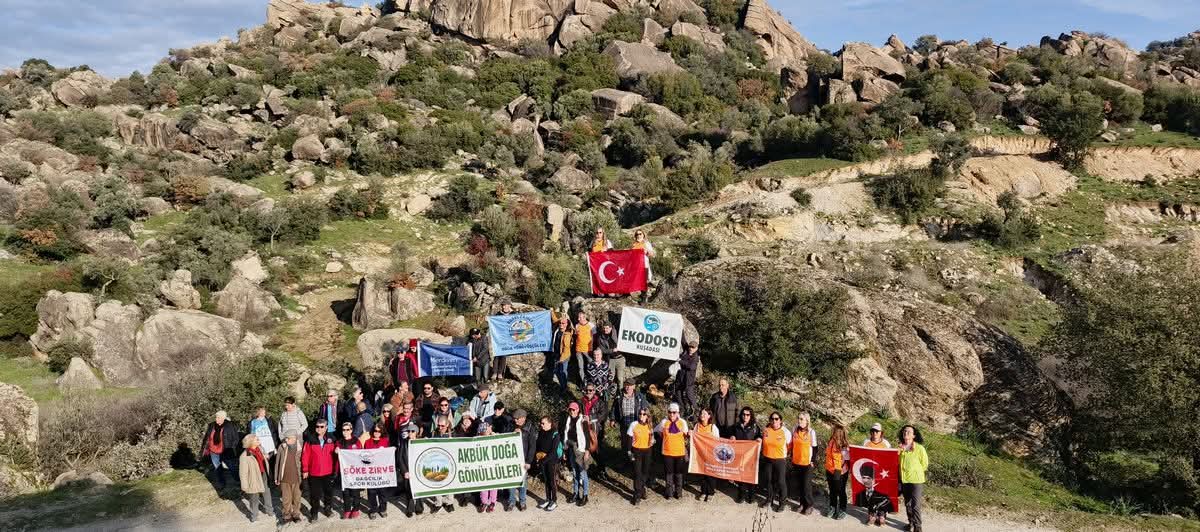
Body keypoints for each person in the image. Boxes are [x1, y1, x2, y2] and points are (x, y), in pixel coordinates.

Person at [418, 416, 456, 514]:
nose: (440, 427)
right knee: (436, 482)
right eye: (438, 425)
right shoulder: (434, 433)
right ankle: (438, 502)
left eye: (442, 426)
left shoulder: (453, 433)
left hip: (449, 462)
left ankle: (449, 502)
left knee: (449, 483)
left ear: (447, 424)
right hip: (437, 462)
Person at [302, 420, 337, 522]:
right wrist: (305, 469)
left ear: (326, 427)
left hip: (328, 472)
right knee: (315, 494)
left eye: (322, 427)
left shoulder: (332, 438)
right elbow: (305, 455)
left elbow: (338, 452)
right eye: (317, 426)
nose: (319, 429)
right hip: (314, 472)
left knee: (328, 493)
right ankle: (314, 513)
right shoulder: (310, 439)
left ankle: (327, 509)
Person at [560, 401, 593, 506]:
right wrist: (565, 450)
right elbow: (565, 435)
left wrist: (587, 451)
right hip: (570, 448)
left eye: (574, 409)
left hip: (581, 449)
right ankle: (576, 493)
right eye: (570, 409)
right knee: (574, 472)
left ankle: (585, 495)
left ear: (578, 409)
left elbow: (587, 436)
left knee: (583, 473)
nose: (572, 411)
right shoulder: (568, 420)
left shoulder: (583, 420)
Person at [655, 402, 690, 500]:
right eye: (670, 412)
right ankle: (669, 492)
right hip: (667, 452)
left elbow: (687, 434)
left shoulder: (682, 422)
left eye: (674, 412)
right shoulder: (664, 422)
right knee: (669, 473)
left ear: (678, 413)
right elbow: (657, 431)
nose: (672, 414)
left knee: (678, 473)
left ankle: (678, 492)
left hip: (679, 452)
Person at [899, 425, 929, 532]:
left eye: (909, 431)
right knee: (907, 504)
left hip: (916, 481)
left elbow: (925, 464)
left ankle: (918, 527)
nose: (906, 432)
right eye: (904, 431)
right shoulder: (900, 448)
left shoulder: (920, 448)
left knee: (915, 505)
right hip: (904, 480)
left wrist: (915, 471)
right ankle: (910, 523)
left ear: (914, 435)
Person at [760, 411, 791, 512]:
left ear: (780, 420)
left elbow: (790, 446)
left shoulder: (785, 432)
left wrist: (784, 455)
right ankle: (769, 499)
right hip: (768, 459)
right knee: (769, 481)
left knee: (781, 482)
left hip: (780, 460)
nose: (774, 421)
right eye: (772, 419)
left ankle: (782, 503)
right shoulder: (766, 430)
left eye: (776, 419)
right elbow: (762, 442)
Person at [610, 379, 649, 460]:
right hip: (624, 424)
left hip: (636, 425)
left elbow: (645, 408)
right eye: (626, 385)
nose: (628, 387)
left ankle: (636, 460)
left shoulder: (639, 396)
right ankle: (625, 460)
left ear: (634, 386)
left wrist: (645, 420)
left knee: (635, 443)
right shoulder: (619, 396)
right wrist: (613, 419)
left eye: (630, 385)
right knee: (625, 443)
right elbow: (614, 408)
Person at [239, 434, 274, 523]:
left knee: (267, 492)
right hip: (253, 478)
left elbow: (265, 458)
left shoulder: (260, 449)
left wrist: (266, 457)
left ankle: (269, 510)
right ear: (251, 442)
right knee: (254, 497)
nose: (259, 440)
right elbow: (243, 473)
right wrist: (244, 485)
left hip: (264, 474)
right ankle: (254, 515)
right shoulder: (244, 456)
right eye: (256, 439)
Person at [201, 410, 240, 489]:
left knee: (232, 467)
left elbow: (236, 438)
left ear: (223, 418)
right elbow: (207, 437)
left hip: (226, 450)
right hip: (213, 451)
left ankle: (238, 481)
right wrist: (205, 447)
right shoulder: (211, 425)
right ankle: (221, 482)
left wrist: (232, 447)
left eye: (218, 417)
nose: (216, 419)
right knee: (218, 468)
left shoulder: (230, 425)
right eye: (216, 417)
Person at [507, 409, 536, 512]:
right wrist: (512, 433)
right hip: (512, 458)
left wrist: (528, 461)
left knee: (522, 481)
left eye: (517, 419)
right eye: (514, 419)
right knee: (511, 481)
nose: (515, 421)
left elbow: (532, 446)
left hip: (523, 459)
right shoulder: (511, 426)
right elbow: (504, 438)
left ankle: (522, 501)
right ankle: (511, 501)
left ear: (523, 418)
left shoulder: (530, 428)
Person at [790, 412, 819, 515]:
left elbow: (815, 448)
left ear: (807, 420)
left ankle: (809, 505)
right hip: (796, 462)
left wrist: (813, 461)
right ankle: (802, 504)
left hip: (807, 463)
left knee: (806, 485)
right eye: (799, 418)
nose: (799, 420)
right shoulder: (794, 429)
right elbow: (792, 445)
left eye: (802, 419)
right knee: (800, 485)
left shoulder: (811, 432)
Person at [733, 407, 763, 504]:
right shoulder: (737, 426)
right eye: (743, 414)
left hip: (751, 455)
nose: (745, 416)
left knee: (751, 476)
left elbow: (759, 436)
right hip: (740, 455)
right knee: (740, 476)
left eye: (748, 415)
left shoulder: (755, 427)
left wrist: (759, 439)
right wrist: (732, 436)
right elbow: (732, 435)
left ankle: (751, 496)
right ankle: (741, 495)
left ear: (751, 416)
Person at [626, 408, 656, 505]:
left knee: (645, 472)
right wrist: (629, 452)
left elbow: (653, 438)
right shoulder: (633, 424)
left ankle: (642, 488)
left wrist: (653, 441)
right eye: (640, 414)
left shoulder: (650, 425)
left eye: (644, 414)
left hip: (647, 451)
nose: (642, 416)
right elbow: (629, 439)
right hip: (636, 451)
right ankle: (637, 495)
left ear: (647, 416)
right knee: (637, 473)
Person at [580, 384, 610, 478]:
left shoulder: (600, 402)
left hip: (596, 430)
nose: (589, 392)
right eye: (587, 390)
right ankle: (585, 471)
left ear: (594, 391)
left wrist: (591, 418)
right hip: (583, 429)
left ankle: (602, 469)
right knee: (585, 449)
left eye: (591, 390)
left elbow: (603, 415)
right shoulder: (580, 402)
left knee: (597, 450)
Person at [275, 430, 304, 524]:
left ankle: (296, 514)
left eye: (288, 438)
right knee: (286, 498)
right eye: (286, 438)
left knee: (297, 498)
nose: (286, 440)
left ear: (294, 438)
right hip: (284, 478)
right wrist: (277, 477)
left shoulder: (300, 448)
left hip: (297, 478)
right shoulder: (281, 447)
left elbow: (303, 462)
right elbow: (277, 463)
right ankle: (286, 515)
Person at [534, 416, 562, 511]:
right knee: (546, 481)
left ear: (550, 423)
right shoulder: (541, 432)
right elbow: (537, 445)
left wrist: (543, 460)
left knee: (552, 481)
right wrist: (537, 457)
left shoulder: (555, 434)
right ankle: (548, 499)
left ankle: (554, 500)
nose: (541, 425)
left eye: (543, 423)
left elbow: (553, 451)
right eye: (541, 423)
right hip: (542, 461)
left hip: (552, 461)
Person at [363, 423, 391, 519]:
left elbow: (389, 456)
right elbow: (363, 456)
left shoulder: (385, 441)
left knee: (382, 492)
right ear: (372, 431)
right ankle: (373, 509)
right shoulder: (367, 442)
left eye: (379, 431)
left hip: (382, 471)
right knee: (371, 492)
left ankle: (383, 509)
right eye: (375, 431)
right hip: (371, 472)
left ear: (382, 432)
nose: (377, 433)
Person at [336, 422, 363, 519]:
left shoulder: (356, 441)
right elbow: (336, 456)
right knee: (345, 491)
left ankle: (356, 509)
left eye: (347, 429)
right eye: (344, 430)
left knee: (355, 491)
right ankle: (347, 509)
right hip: (344, 471)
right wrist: (336, 452)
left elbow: (361, 454)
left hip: (354, 470)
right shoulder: (339, 442)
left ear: (351, 430)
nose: (345, 432)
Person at [692, 408, 720, 501]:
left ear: (709, 416)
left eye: (704, 414)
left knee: (710, 474)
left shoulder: (713, 427)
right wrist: (690, 434)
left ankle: (711, 493)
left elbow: (718, 441)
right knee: (702, 474)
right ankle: (703, 492)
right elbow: (694, 438)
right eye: (701, 413)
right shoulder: (697, 426)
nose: (702, 415)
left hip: (711, 454)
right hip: (700, 454)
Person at [394, 421, 420, 517]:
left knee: (419, 490)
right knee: (409, 491)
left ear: (416, 432)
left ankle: (419, 507)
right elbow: (400, 458)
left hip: (419, 471)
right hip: (408, 471)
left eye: (413, 431)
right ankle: (410, 509)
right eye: (409, 431)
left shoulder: (421, 443)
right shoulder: (404, 443)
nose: (410, 433)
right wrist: (404, 471)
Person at [825, 424, 851, 520]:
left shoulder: (844, 446)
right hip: (829, 469)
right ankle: (833, 507)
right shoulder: (831, 441)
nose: (835, 434)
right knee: (832, 490)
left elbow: (847, 459)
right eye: (834, 432)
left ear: (841, 434)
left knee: (840, 491)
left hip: (840, 471)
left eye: (836, 432)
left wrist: (840, 470)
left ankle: (842, 509)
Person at [855, 462, 893, 527]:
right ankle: (872, 515)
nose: (866, 480)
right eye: (864, 477)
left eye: (868, 478)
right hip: (870, 502)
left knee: (881, 497)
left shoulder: (882, 492)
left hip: (880, 496)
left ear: (873, 479)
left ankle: (882, 515)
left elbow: (888, 502)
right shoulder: (859, 494)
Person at [477, 422, 500, 513]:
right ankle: (484, 502)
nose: (486, 432)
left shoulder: (495, 436)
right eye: (483, 431)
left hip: (493, 465)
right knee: (483, 484)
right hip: (483, 465)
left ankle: (492, 502)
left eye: (487, 429)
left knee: (494, 485)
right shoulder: (478, 439)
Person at [675, 340, 700, 418]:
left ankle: (696, 411)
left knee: (690, 396)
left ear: (696, 348)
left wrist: (680, 361)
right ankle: (683, 409)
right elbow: (683, 341)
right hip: (681, 379)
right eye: (690, 346)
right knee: (678, 393)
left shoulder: (695, 357)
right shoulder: (686, 350)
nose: (691, 348)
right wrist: (681, 328)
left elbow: (691, 367)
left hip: (689, 381)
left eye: (693, 347)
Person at [492, 300, 516, 381]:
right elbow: (493, 323)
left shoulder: (514, 314)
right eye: (503, 305)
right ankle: (494, 373)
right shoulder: (498, 314)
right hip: (498, 337)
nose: (504, 307)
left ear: (510, 306)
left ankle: (500, 373)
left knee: (504, 356)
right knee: (497, 355)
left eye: (506, 305)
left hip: (509, 338)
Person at [595, 322, 624, 386]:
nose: (605, 329)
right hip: (611, 360)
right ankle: (610, 393)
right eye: (604, 328)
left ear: (611, 328)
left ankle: (620, 392)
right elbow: (603, 350)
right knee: (611, 377)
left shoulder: (617, 333)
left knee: (620, 378)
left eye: (607, 328)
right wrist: (612, 350)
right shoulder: (600, 338)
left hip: (620, 358)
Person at [550, 317, 573, 393]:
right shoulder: (557, 330)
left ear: (567, 324)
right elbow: (555, 320)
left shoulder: (567, 334)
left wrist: (561, 359)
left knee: (562, 371)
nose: (561, 324)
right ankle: (562, 386)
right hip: (556, 354)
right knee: (557, 371)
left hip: (564, 356)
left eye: (563, 323)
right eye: (560, 323)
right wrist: (551, 311)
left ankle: (564, 387)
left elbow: (566, 349)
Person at [573, 312, 594, 387]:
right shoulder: (577, 325)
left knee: (591, 365)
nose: (578, 319)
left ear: (584, 317)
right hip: (578, 350)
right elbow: (576, 336)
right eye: (578, 317)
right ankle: (584, 383)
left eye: (580, 317)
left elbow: (595, 336)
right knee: (580, 367)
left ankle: (592, 382)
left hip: (588, 350)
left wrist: (592, 348)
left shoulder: (591, 325)